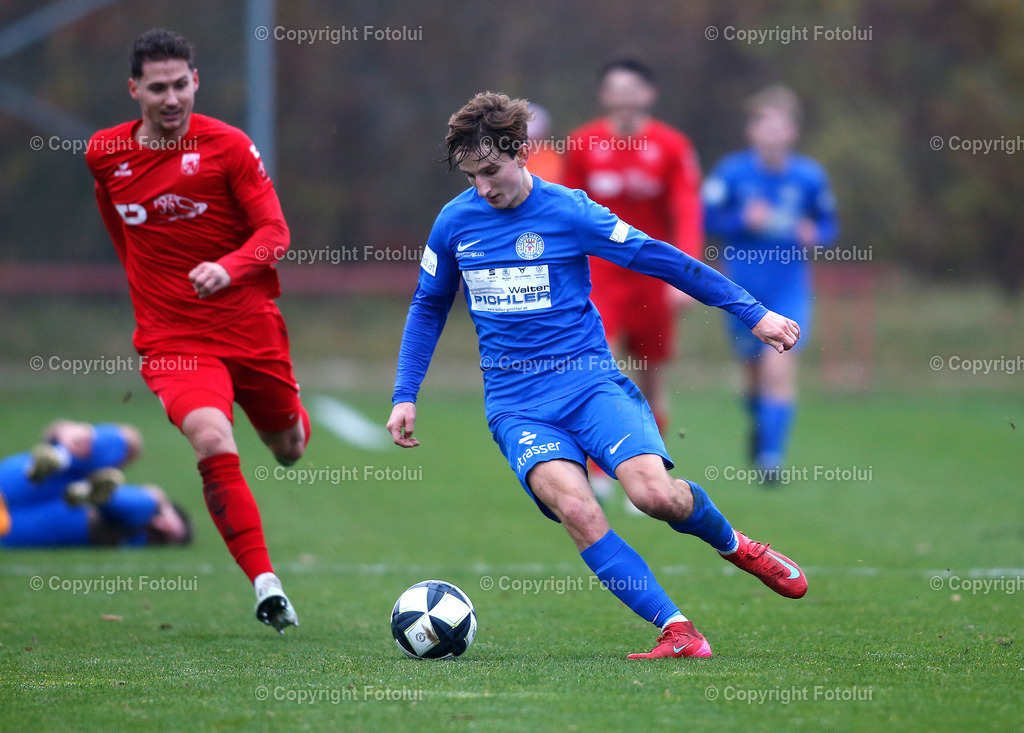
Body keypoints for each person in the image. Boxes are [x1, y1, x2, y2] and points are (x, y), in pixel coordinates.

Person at [386, 92, 808, 660]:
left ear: (522, 154)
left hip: (589, 385)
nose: (482, 187)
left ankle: (738, 546)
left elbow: (662, 258)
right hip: (517, 406)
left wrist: (753, 313)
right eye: (471, 176)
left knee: (654, 495)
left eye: (491, 171)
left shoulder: (570, 212)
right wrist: (405, 393)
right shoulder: (454, 223)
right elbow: (428, 305)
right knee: (579, 511)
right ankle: (677, 631)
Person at [85, 29, 308, 632]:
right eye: (158, 88)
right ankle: (266, 584)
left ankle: (290, 416)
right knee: (211, 437)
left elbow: (275, 233)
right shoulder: (104, 153)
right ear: (134, 90)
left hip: (249, 325)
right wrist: (148, 291)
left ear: (196, 82)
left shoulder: (228, 146)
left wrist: (229, 268)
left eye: (181, 85)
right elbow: (118, 224)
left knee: (289, 447)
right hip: (173, 339)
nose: (171, 98)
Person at [702, 85, 838, 477]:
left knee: (779, 365)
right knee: (753, 374)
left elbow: (829, 223)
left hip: (788, 287)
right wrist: (741, 220)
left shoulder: (809, 177)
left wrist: (817, 234)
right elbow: (703, 218)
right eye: (765, 126)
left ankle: (771, 458)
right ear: (752, 131)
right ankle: (762, 425)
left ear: (793, 132)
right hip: (741, 289)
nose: (773, 134)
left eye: (781, 127)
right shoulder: (731, 172)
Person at [563, 59, 704, 434]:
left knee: (651, 380)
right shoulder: (582, 143)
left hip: (652, 274)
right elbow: (565, 213)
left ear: (648, 94)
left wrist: (686, 276)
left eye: (632, 90)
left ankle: (653, 462)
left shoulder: (672, 146)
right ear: (604, 96)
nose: (624, 99)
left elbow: (687, 211)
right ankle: (599, 463)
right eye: (616, 91)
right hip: (598, 274)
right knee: (598, 366)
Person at [0, 420, 191, 548]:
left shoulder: (135, 540)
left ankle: (79, 480)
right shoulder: (142, 499)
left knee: (127, 518)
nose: (160, 527)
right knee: (129, 443)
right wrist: (66, 431)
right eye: (162, 517)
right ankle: (64, 458)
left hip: (16, 525)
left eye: (163, 538)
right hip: (28, 484)